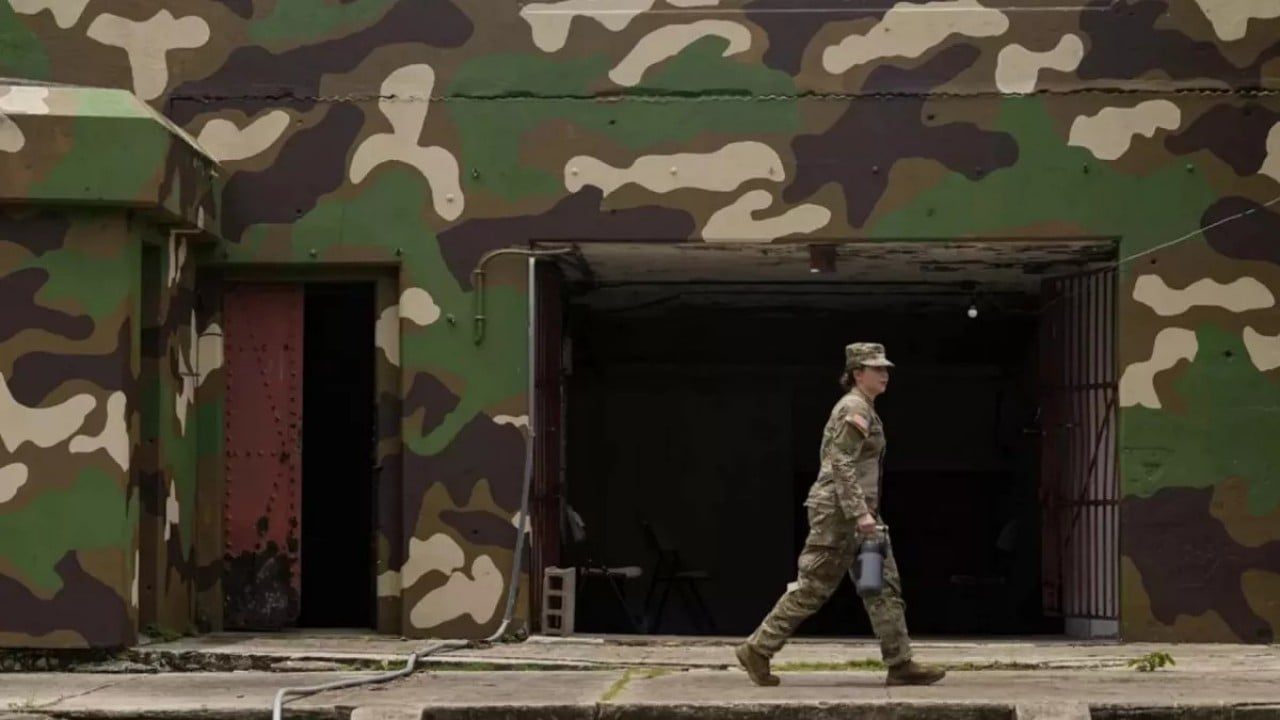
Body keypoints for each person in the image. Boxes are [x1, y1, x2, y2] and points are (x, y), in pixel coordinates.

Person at [735, 342, 946, 687]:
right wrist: (860, 513)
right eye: (876, 368)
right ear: (857, 373)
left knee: (880, 586)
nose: (884, 374)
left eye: (885, 368)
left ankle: (900, 663)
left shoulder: (865, 407)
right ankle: (758, 648)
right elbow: (841, 461)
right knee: (814, 586)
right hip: (840, 516)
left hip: (861, 517)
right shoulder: (854, 408)